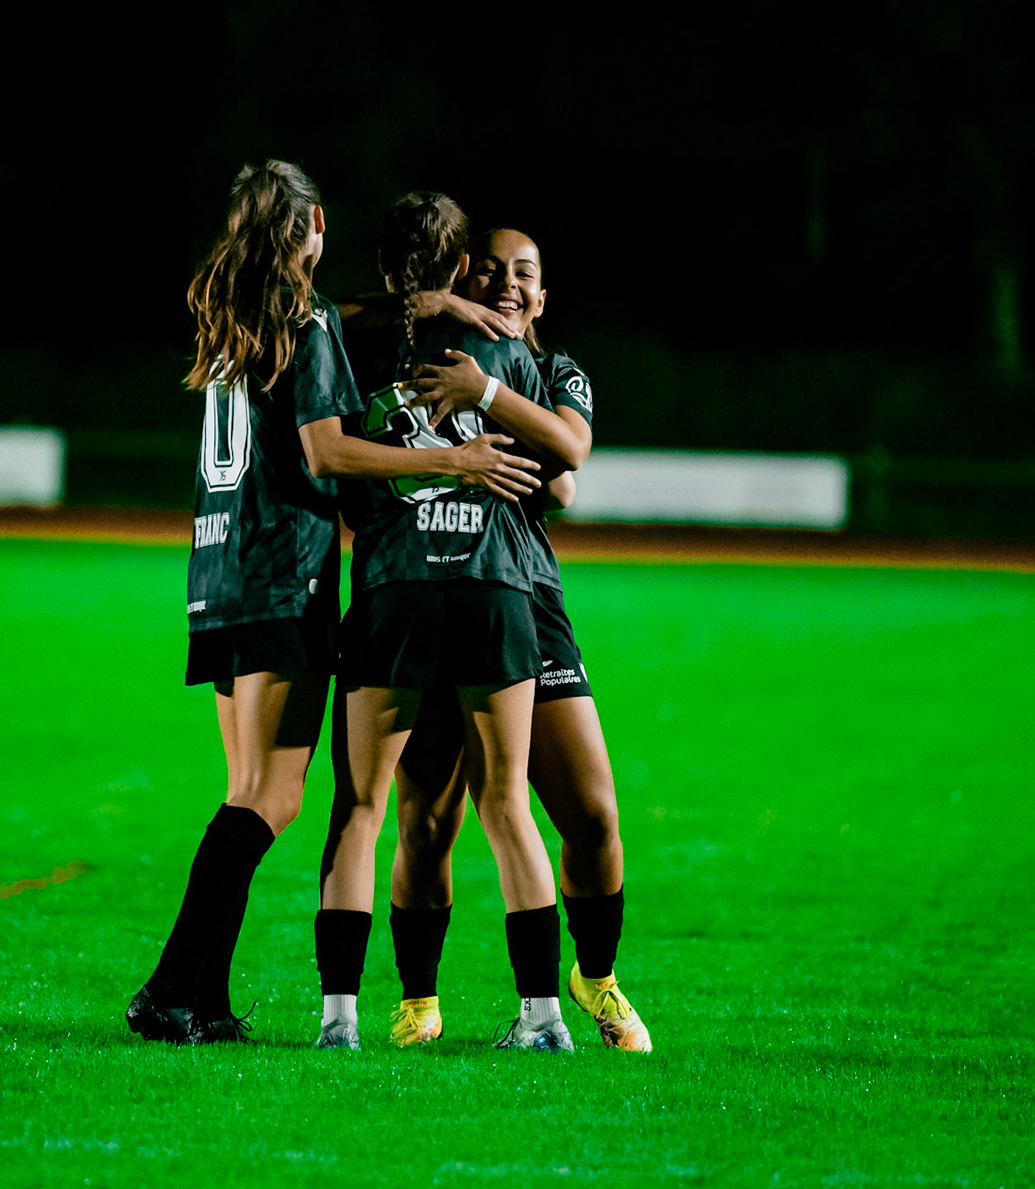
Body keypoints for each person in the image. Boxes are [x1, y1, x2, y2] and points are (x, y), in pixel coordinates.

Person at [127, 163, 541, 1045]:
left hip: (218, 574)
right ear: (315, 220)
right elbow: (325, 454)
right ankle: (171, 988)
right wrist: (454, 462)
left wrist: (438, 308)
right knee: (267, 801)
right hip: (284, 579)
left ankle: (196, 995)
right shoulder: (303, 320)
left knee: (248, 792)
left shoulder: (239, 317)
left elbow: (346, 325)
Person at [314, 193, 573, 1053]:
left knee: (364, 807)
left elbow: (337, 464)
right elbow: (557, 475)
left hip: (393, 582)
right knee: (507, 806)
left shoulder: (343, 337)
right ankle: (544, 1019)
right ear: (464, 266)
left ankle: (340, 1020)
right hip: (497, 587)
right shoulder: (505, 348)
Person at [386, 228, 652, 1052]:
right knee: (428, 820)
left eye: (524, 274)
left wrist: (485, 392)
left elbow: (569, 457)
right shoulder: (425, 349)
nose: (506, 283)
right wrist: (427, 312)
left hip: (525, 599)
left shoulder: (553, 369)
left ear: (542, 298)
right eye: (489, 270)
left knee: (593, 816)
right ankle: (418, 1002)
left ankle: (595, 977)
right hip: (431, 589)